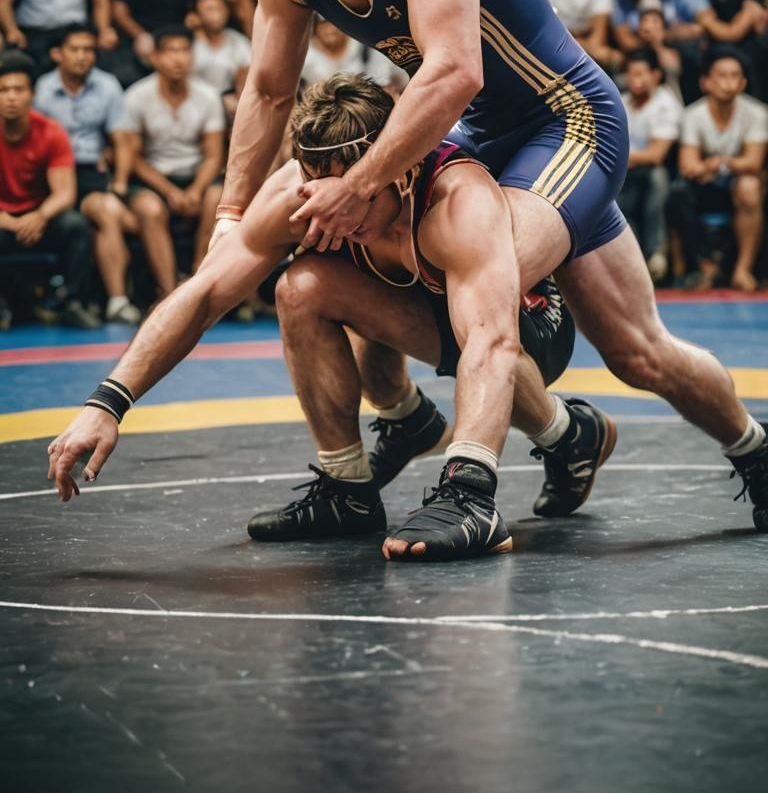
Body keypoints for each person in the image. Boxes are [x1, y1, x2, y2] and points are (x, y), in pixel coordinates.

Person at [46, 0, 768, 547]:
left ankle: (477, 483)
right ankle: (549, 438)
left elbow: (456, 70)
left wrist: (357, 188)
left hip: (566, 123)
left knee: (502, 294)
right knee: (628, 344)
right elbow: (266, 91)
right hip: (470, 129)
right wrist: (229, 218)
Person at [48, 71, 611, 557]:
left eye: (346, 197)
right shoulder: (304, 192)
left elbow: (491, 341)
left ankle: (567, 432)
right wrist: (108, 402)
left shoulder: (457, 200)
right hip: (423, 304)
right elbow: (204, 294)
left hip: (528, 324)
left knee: (477, 337)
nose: (326, 211)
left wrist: (468, 487)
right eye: (315, 189)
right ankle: (349, 489)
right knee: (300, 286)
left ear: (396, 169)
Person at [33, 24, 140, 323]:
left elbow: (122, 139)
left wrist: (119, 181)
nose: (82, 56)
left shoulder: (107, 85)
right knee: (113, 216)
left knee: (120, 217)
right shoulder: (41, 90)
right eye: (75, 49)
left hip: (93, 171)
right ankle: (118, 299)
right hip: (54, 174)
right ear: (58, 54)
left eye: (88, 49)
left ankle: (118, 298)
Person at [0, 49, 98, 328]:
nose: (10, 97)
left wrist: (40, 216)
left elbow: (65, 193)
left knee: (75, 225)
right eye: (3, 89)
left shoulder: (51, 132)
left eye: (18, 89)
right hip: (3, 220)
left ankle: (70, 302)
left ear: (31, 94)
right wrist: (8, 221)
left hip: (38, 219)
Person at [124, 25, 225, 294]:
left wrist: (195, 190)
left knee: (217, 200)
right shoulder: (136, 96)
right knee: (150, 209)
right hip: (154, 176)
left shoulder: (208, 96)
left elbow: (213, 154)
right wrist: (169, 191)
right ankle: (169, 292)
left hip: (196, 174)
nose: (178, 58)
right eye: (170, 51)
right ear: (154, 57)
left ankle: (199, 281)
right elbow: (132, 158)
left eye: (184, 51)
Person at [669, 49, 768, 292]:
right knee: (676, 192)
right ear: (706, 82)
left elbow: (753, 163)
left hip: (741, 186)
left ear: (743, 83)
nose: (728, 82)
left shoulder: (757, 113)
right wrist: (712, 166)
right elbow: (688, 164)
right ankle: (700, 268)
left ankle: (743, 269)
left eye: (735, 76)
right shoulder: (694, 114)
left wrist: (717, 162)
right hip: (706, 186)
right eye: (722, 75)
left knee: (749, 185)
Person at [617, 47, 683, 282]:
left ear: (656, 75)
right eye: (631, 74)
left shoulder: (666, 103)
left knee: (657, 176)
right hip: (624, 173)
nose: (636, 80)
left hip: (659, 174)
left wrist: (623, 158)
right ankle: (619, 258)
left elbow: (656, 155)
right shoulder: (620, 102)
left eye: (642, 73)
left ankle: (656, 254)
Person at [191, 0, 252, 118]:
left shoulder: (238, 40)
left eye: (219, 8)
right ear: (197, 15)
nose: (216, 14)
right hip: (196, 105)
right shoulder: (190, 44)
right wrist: (218, 101)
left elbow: (245, 77)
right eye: (209, 9)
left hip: (231, 103)